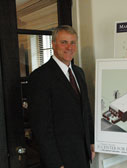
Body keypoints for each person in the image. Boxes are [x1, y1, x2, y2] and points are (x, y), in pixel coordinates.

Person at [27, 25, 95, 168]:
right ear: (53, 44)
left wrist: (91, 141)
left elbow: (86, 111)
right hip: (61, 159)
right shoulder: (40, 77)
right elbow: (41, 127)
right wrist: (55, 163)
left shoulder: (79, 72)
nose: (69, 47)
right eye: (64, 42)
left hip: (82, 154)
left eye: (73, 42)